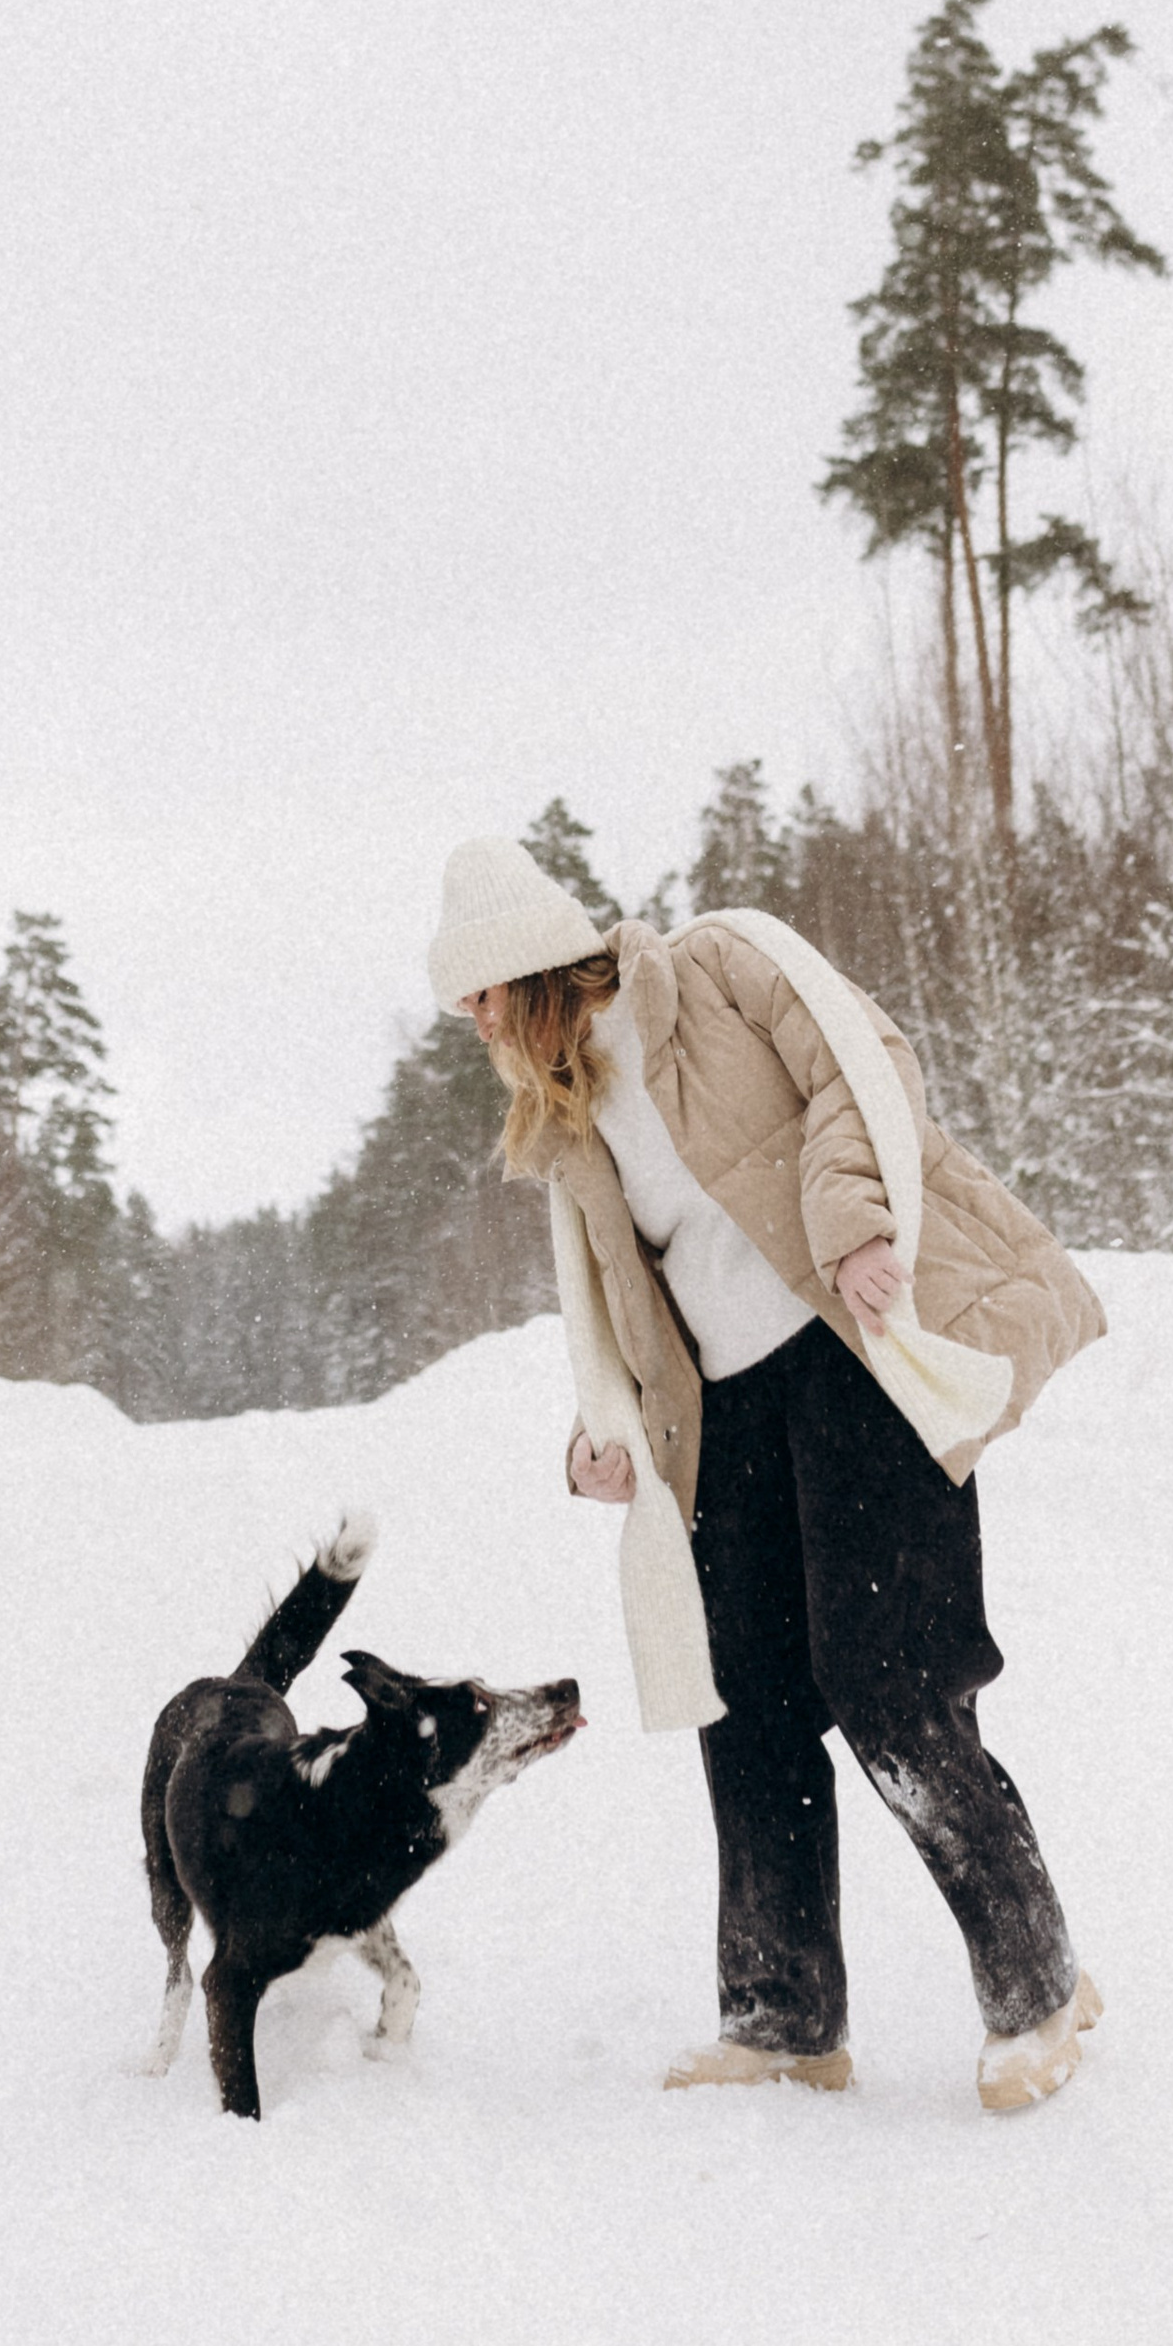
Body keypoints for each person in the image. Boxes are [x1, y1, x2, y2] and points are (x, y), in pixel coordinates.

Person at [428, 833, 1107, 2114]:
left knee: (889, 1683)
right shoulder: (565, 1121)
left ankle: (1040, 1986)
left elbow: (866, 1070)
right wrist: (608, 1429)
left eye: (478, 994)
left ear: (529, 966)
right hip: (728, 1417)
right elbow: (614, 1301)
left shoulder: (720, 964)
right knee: (749, 1705)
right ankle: (784, 2014)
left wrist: (851, 1223)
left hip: (851, 1353)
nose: (472, 1023)